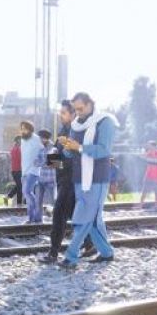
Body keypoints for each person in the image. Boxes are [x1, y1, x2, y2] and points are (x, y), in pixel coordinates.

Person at [57, 92, 116, 268]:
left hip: (95, 178)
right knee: (92, 219)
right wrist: (67, 147)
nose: (78, 113)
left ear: (91, 104)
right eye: (75, 109)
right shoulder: (74, 125)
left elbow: (104, 150)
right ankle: (107, 253)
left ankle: (71, 256)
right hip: (77, 177)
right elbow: (66, 154)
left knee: (83, 218)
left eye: (80, 109)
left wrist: (79, 147)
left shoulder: (105, 121)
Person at [40, 101, 93, 264]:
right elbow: (58, 160)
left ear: (73, 114)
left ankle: (53, 252)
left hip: (72, 179)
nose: (60, 115)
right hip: (63, 179)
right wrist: (53, 156)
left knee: (59, 214)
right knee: (72, 214)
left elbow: (79, 156)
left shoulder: (78, 132)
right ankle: (90, 243)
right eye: (60, 112)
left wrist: (60, 156)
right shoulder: (63, 131)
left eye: (63, 112)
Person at [20, 121, 44, 223]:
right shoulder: (22, 140)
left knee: (27, 192)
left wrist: (40, 161)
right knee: (26, 194)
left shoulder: (36, 139)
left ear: (30, 129)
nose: (23, 130)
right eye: (21, 128)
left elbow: (43, 151)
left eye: (25, 128)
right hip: (24, 171)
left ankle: (34, 216)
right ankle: (32, 218)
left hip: (33, 171)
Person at [36, 130, 56, 208]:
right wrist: (45, 162)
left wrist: (42, 163)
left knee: (52, 201)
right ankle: (37, 219)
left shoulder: (53, 148)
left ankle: (54, 217)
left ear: (45, 138)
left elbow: (55, 164)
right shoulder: (39, 148)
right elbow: (35, 162)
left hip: (50, 179)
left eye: (40, 138)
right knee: (38, 200)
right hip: (40, 178)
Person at [139, 141, 157, 208]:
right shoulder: (148, 153)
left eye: (149, 146)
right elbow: (142, 156)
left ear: (154, 146)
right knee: (144, 191)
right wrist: (143, 151)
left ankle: (156, 205)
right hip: (148, 175)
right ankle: (140, 205)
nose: (148, 147)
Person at [4, 137, 23, 206]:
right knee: (20, 187)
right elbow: (21, 160)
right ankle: (19, 204)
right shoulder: (18, 149)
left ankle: (7, 197)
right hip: (18, 170)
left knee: (19, 186)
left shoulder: (13, 149)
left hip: (15, 170)